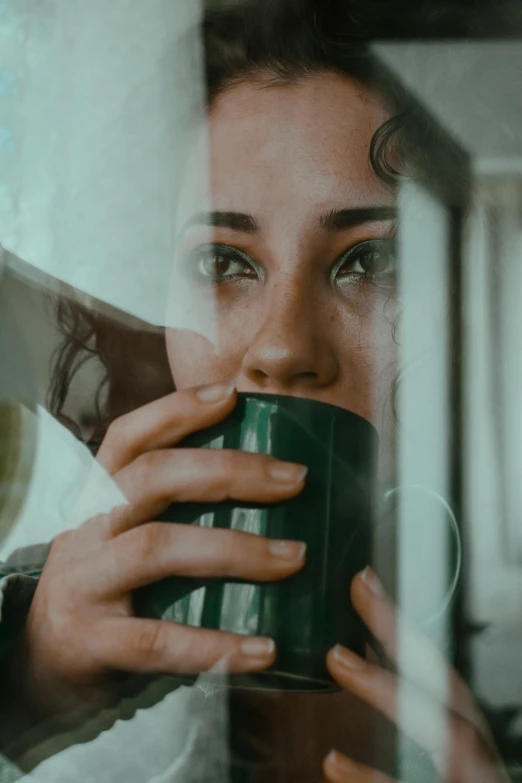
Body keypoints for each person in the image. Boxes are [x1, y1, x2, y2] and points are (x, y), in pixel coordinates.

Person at [0, 1, 513, 781]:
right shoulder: (63, 647)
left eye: (372, 262)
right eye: (224, 264)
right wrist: (22, 675)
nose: (280, 348)